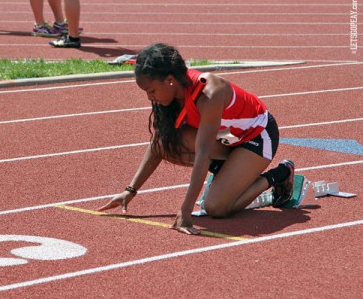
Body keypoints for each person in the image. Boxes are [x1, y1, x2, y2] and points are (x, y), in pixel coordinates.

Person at [98, 43, 295, 235]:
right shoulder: (169, 94)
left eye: (151, 91)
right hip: (228, 139)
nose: (150, 98)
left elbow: (204, 153)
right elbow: (158, 143)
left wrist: (186, 210)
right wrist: (130, 190)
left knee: (217, 208)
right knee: (166, 143)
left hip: (258, 136)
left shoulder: (209, 93)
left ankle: (280, 174)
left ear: (170, 81)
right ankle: (227, 173)